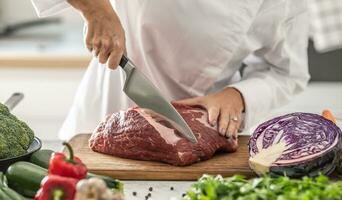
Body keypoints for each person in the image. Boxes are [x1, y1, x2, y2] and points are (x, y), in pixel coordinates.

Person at [31, 0, 310, 141]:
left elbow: (287, 72)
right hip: (101, 117)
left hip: (199, 135)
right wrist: (95, 9)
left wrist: (237, 95)